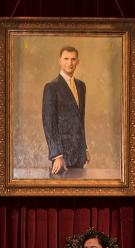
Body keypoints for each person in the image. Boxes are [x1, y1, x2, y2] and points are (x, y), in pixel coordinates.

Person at [42, 46, 87, 176]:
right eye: (66, 59)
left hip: (79, 154)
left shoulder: (81, 86)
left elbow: (80, 120)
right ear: (59, 61)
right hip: (62, 157)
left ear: (77, 62)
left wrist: (85, 147)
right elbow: (48, 123)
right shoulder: (51, 87)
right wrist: (56, 155)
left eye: (73, 59)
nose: (70, 63)